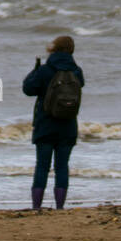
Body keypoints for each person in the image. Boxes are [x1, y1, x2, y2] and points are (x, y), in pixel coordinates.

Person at [22, 35, 85, 210]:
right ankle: (59, 206)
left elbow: (28, 89)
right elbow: (81, 86)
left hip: (45, 125)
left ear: (54, 49)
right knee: (62, 166)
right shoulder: (77, 71)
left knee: (42, 166)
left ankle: (36, 206)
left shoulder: (44, 70)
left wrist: (34, 71)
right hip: (68, 125)